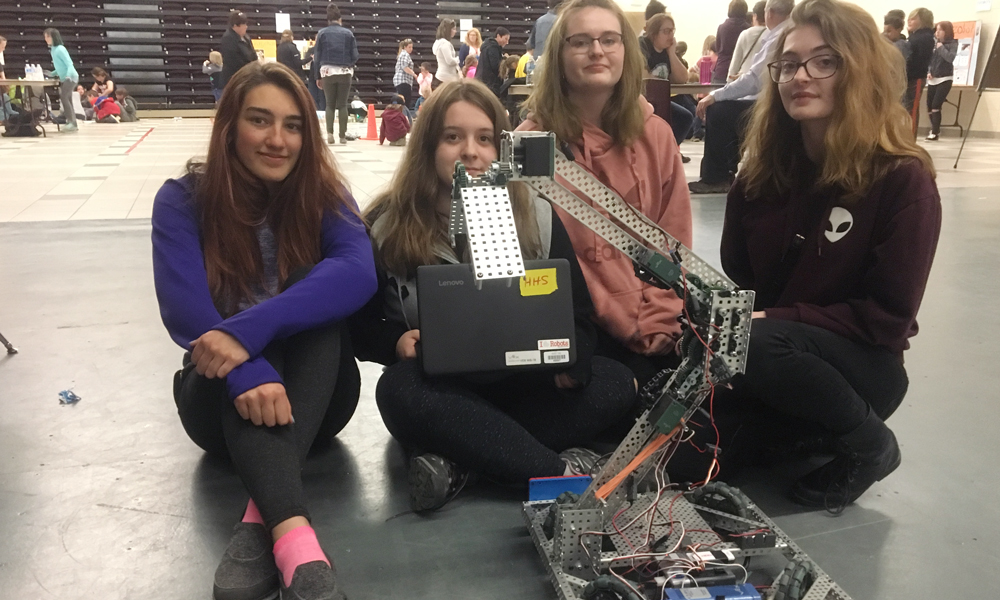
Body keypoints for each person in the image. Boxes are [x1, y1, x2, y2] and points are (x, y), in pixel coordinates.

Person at [352, 78, 637, 512]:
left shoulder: (537, 213)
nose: (471, 151)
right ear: (428, 146)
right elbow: (362, 326)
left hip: (526, 386)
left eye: (485, 139)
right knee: (396, 391)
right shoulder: (385, 224)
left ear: (500, 149)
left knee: (617, 380)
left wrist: (573, 362)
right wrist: (393, 341)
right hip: (442, 391)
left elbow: (578, 312)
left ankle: (463, 464)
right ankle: (559, 477)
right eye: (453, 137)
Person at [152, 62, 376, 600]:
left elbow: (357, 272)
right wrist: (247, 365)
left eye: (293, 125)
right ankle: (295, 540)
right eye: (260, 121)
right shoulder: (182, 201)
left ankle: (262, 520)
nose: (278, 139)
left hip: (315, 401)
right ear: (229, 127)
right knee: (242, 340)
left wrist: (248, 330)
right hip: (220, 399)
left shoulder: (323, 197)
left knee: (313, 297)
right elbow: (188, 315)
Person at [718, 0, 940, 511]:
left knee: (754, 338)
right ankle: (805, 437)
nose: (800, 77)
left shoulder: (903, 182)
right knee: (690, 455)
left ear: (858, 70)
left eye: (824, 61)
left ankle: (871, 445)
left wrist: (773, 320)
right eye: (789, 64)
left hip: (859, 370)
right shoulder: (758, 179)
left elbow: (885, 320)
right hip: (774, 359)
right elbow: (741, 276)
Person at [519, 0, 693, 386]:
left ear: (625, 52)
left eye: (609, 40)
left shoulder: (658, 135)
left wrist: (660, 318)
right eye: (580, 41)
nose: (597, 51)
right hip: (569, 327)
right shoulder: (528, 145)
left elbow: (675, 241)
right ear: (560, 56)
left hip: (650, 324)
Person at [688, 0, 794, 194]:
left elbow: (754, 80)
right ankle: (728, 169)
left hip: (769, 105)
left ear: (768, 13)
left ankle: (716, 177)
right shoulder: (786, 32)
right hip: (773, 100)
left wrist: (714, 95)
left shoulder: (779, 36)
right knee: (731, 109)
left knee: (719, 111)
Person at [639, 14, 695, 151]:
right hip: (641, 99)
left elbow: (682, 78)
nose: (671, 36)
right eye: (666, 31)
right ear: (653, 33)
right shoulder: (642, 45)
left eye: (672, 31)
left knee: (685, 117)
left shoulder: (666, 50)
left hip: (660, 100)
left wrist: (671, 53)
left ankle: (667, 153)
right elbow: (643, 77)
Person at [314, 4, 359, 145]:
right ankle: (342, 136)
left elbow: (317, 57)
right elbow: (355, 55)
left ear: (328, 19)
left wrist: (317, 76)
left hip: (327, 71)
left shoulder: (322, 33)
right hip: (345, 72)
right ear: (340, 19)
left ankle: (329, 134)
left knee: (329, 104)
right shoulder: (348, 34)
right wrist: (349, 64)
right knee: (343, 104)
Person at [924, 21, 956, 141]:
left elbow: (950, 58)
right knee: (929, 106)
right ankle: (934, 128)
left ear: (946, 31)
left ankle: (935, 132)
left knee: (936, 105)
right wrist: (929, 71)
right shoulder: (934, 43)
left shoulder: (952, 43)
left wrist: (941, 47)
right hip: (933, 79)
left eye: (940, 30)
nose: (937, 32)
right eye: (936, 30)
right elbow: (930, 60)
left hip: (945, 78)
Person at [44, 28, 79, 133]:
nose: (46, 39)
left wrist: (68, 76)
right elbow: (60, 66)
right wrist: (52, 73)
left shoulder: (60, 49)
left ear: (53, 37)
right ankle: (71, 122)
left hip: (71, 77)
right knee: (67, 99)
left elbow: (69, 64)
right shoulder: (53, 50)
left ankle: (72, 122)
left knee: (64, 98)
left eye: (47, 36)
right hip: (66, 77)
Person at [904, 8, 934, 120]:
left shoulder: (924, 37)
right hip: (909, 77)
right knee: (908, 108)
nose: (909, 21)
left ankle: (911, 136)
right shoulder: (915, 36)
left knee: (912, 109)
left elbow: (920, 59)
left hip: (916, 77)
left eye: (913, 19)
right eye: (909, 18)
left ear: (923, 20)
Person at [713, 0, 750, 84]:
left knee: (718, 96)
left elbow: (718, 48)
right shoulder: (748, 29)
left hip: (721, 69)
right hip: (738, 72)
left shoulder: (721, 27)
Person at [729, 1, 767, 81]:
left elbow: (735, 63)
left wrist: (729, 80)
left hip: (743, 80)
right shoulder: (773, 34)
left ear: (755, 16)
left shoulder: (745, 34)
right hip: (763, 81)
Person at [220, 11, 257, 89]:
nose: (246, 27)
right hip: (235, 79)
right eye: (243, 25)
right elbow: (233, 61)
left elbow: (252, 53)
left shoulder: (246, 37)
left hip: (248, 75)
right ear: (235, 26)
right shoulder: (228, 39)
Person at [476, 27, 510, 95]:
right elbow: (495, 66)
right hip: (490, 83)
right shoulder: (493, 48)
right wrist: (505, 60)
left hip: (482, 79)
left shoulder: (487, 46)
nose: (507, 42)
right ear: (498, 36)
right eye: (505, 39)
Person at [432, 18, 460, 89]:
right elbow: (450, 61)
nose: (455, 31)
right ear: (447, 30)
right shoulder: (445, 44)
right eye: (453, 29)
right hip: (447, 78)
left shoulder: (437, 42)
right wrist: (458, 59)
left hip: (441, 77)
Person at [393, 38, 416, 108]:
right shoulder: (405, 54)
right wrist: (414, 74)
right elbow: (405, 67)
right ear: (405, 47)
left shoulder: (401, 54)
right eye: (409, 47)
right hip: (403, 80)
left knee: (402, 99)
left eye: (412, 47)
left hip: (401, 81)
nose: (411, 49)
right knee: (406, 100)